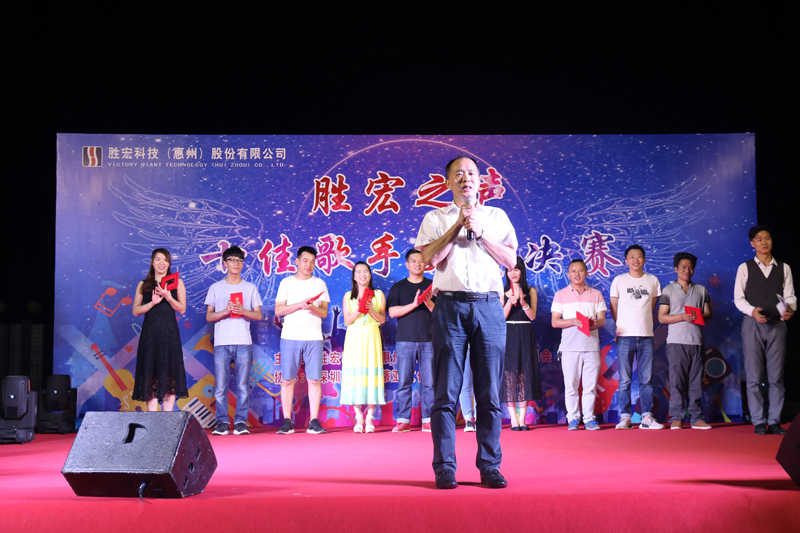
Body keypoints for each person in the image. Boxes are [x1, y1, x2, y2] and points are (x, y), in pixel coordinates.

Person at [416, 155, 517, 490]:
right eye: (458, 174)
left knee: (489, 392)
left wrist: (481, 233)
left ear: (480, 180)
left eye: (471, 173)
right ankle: (445, 467)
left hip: (489, 306)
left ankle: (490, 466)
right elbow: (429, 258)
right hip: (449, 306)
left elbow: (511, 260)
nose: (466, 178)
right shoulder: (435, 217)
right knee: (446, 392)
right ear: (448, 182)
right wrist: (458, 225)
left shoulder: (497, 216)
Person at [734, 225, 795, 435]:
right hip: (753, 324)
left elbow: (790, 295)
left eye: (767, 238)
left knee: (776, 376)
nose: (764, 242)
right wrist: (753, 312)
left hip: (777, 324)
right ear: (752, 243)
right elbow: (738, 298)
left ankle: (774, 420)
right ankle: (759, 420)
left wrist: (789, 309)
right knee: (754, 375)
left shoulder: (784, 267)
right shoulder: (745, 267)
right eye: (759, 239)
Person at [205, 246, 263, 436]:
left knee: (242, 385)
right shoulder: (216, 288)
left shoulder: (250, 288)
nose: (235, 263)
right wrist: (225, 311)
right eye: (232, 260)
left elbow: (258, 315)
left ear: (243, 264)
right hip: (221, 343)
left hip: (243, 342)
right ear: (225, 263)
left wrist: (242, 311)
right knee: (221, 386)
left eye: (239, 260)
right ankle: (222, 422)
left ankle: (240, 421)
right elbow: (209, 317)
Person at [274, 246, 330, 435]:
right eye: (305, 260)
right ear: (297, 261)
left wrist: (311, 307)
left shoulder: (319, 284)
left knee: (314, 380)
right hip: (290, 336)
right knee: (287, 380)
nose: (309, 265)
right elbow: (278, 310)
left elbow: (324, 313)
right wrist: (300, 305)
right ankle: (287, 421)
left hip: (313, 337)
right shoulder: (286, 283)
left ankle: (313, 421)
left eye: (312, 262)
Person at [609, 244, 663, 430]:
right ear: (626, 261)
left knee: (646, 379)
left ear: (644, 260)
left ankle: (646, 417)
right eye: (631, 257)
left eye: (639, 256)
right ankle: (625, 418)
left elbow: (653, 305)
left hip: (646, 335)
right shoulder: (619, 280)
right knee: (624, 379)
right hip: (625, 336)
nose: (635, 259)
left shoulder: (653, 280)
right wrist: (620, 325)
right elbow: (613, 305)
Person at [658, 253, 713, 430]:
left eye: (690, 267)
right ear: (676, 269)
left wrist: (698, 315)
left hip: (697, 342)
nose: (686, 270)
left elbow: (708, 315)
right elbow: (662, 317)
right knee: (677, 382)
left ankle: (696, 418)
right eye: (683, 267)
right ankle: (676, 418)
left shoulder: (702, 290)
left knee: (696, 382)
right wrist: (682, 316)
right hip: (676, 342)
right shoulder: (668, 290)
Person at [551, 259, 607, 430]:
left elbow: (602, 320)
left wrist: (593, 323)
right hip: (569, 347)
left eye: (581, 270)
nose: (577, 274)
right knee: (571, 386)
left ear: (586, 273)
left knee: (590, 386)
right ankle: (573, 418)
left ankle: (589, 418)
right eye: (573, 271)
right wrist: (574, 321)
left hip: (591, 346)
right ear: (568, 274)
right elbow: (555, 322)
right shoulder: (560, 294)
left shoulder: (596, 294)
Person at [132, 248, 189, 412]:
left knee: (170, 373)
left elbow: (182, 309)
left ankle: (167, 419)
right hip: (150, 335)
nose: (161, 263)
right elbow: (135, 310)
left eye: (165, 259)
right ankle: (153, 420)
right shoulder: (143, 284)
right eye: (158, 259)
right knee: (150, 373)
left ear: (169, 263)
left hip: (169, 335)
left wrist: (168, 297)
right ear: (152, 262)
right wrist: (153, 303)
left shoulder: (177, 283)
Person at [387, 249, 435, 433]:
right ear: (407, 264)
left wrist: (428, 302)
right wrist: (414, 304)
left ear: (426, 264)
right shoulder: (398, 287)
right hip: (405, 341)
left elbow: (441, 313)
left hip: (429, 340)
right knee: (404, 382)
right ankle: (403, 420)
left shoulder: (432, 286)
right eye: (413, 261)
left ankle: (428, 420)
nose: (417, 264)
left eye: (421, 261)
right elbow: (392, 312)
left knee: (430, 383)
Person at [341, 261, 386, 433]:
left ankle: (370, 418)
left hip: (372, 335)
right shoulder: (348, 296)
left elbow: (382, 319)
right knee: (355, 376)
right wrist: (360, 309)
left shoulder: (378, 294)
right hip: (354, 337)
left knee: (371, 376)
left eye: (365, 271)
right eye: (358, 272)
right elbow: (347, 321)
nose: (362, 275)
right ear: (354, 277)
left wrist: (371, 309)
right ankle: (358, 416)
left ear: (370, 275)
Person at [501, 256, 542, 431]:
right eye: (509, 270)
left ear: (522, 271)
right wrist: (510, 303)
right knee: (510, 377)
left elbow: (533, 316)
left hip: (525, 333)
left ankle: (523, 420)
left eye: (516, 269)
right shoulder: (502, 291)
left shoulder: (531, 291)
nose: (512, 273)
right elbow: (501, 318)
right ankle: (513, 420)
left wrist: (523, 303)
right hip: (508, 334)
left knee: (524, 376)